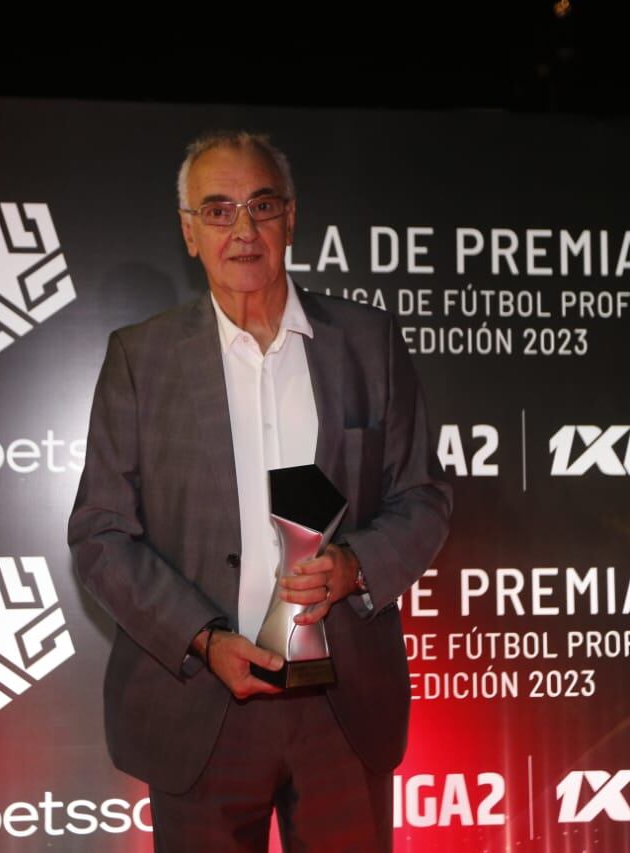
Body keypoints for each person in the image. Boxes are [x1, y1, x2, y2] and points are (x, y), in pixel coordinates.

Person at [68, 130, 451, 851]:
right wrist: (204, 639)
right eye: (218, 211)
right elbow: (101, 536)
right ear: (189, 231)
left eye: (261, 205)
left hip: (342, 711)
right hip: (203, 712)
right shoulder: (141, 360)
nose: (242, 229)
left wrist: (355, 566)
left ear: (291, 217)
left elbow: (424, 497)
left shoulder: (368, 343)